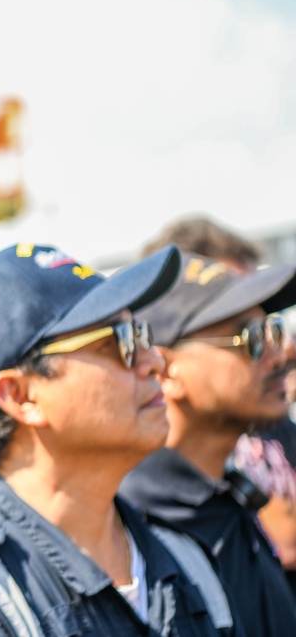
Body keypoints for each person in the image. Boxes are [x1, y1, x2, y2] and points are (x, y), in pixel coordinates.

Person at [0, 243, 227, 636]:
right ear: (21, 396)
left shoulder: (184, 560)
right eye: (120, 341)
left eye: (142, 332)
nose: (153, 361)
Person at [120, 251, 296, 636]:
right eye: (250, 338)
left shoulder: (223, 494)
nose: (280, 354)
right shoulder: (134, 525)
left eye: (274, 331)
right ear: (165, 371)